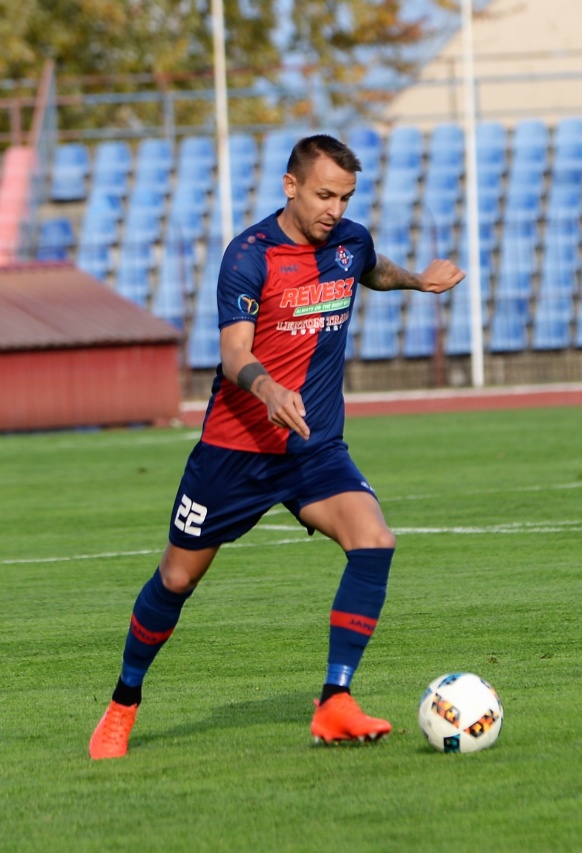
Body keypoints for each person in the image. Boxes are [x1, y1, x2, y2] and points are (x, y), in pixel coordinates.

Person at [89, 134, 465, 759]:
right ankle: (123, 704)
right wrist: (266, 388)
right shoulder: (250, 255)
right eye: (323, 195)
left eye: (344, 198)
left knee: (374, 541)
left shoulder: (350, 242)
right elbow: (234, 351)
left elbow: (373, 271)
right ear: (291, 186)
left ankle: (335, 701)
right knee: (176, 578)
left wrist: (419, 282)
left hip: (313, 446)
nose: (334, 210)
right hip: (235, 451)